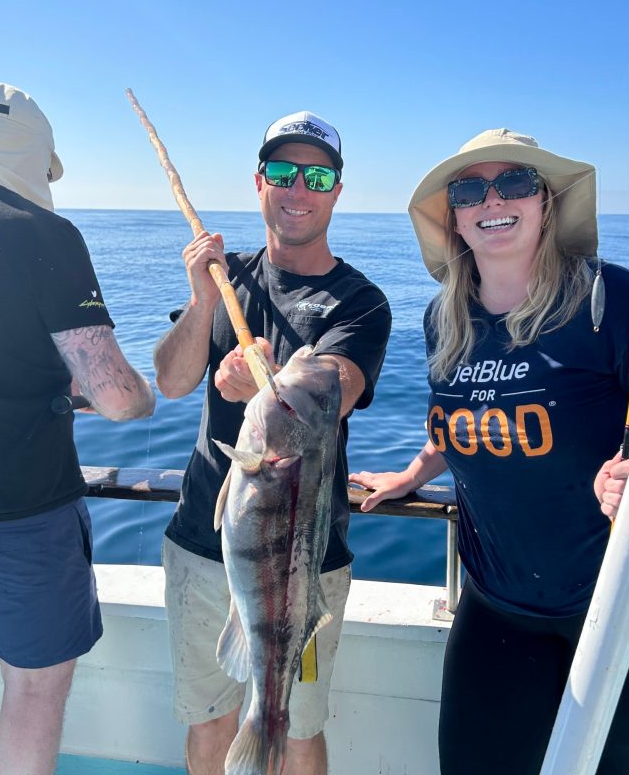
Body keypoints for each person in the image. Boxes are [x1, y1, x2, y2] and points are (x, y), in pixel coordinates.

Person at [350, 128, 629, 775]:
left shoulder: (619, 305)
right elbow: (464, 418)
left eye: (516, 182)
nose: (492, 198)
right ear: (455, 219)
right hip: (500, 599)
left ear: (547, 202)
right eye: (469, 189)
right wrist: (415, 471)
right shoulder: (446, 318)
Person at [154, 110, 391, 775]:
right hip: (204, 548)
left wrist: (264, 389)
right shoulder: (228, 279)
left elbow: (336, 387)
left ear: (337, 191)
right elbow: (171, 382)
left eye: (316, 175)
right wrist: (203, 300)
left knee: (297, 726)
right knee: (209, 723)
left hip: (303, 566)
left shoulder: (361, 300)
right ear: (260, 182)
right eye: (283, 172)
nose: (298, 188)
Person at [0, 83, 156, 775]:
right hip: (22, 519)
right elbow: (113, 396)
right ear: (35, 157)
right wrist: (146, 397)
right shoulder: (42, 233)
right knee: (33, 691)